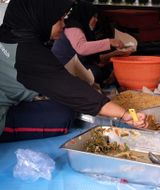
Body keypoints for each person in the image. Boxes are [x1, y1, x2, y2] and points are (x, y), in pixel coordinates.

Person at [0, 0, 146, 142]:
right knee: (63, 114)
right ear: (43, 15)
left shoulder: (8, 34)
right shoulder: (27, 54)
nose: (63, 25)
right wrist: (124, 114)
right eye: (60, 19)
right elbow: (74, 92)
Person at [52, 0, 134, 86]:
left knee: (106, 69)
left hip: (75, 66)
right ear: (85, 15)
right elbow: (81, 48)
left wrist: (116, 53)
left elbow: (95, 59)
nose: (96, 20)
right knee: (96, 72)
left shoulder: (84, 31)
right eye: (93, 17)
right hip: (63, 68)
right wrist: (109, 42)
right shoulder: (73, 27)